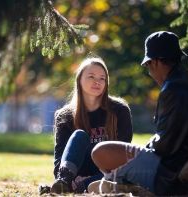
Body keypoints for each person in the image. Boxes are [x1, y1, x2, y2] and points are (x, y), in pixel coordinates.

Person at [90, 31, 188, 195]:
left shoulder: (172, 89)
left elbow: (164, 146)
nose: (149, 73)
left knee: (101, 151)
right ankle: (120, 182)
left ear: (155, 62)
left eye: (148, 66)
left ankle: (120, 183)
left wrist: (144, 148)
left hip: (173, 174)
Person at [46, 57, 133, 194]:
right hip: (74, 171)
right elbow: (59, 160)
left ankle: (82, 185)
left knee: (124, 172)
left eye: (102, 78)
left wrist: (88, 180)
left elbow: (123, 154)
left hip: (107, 172)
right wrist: (63, 176)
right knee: (79, 135)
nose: (97, 82)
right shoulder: (64, 115)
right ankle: (65, 182)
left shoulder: (120, 110)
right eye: (91, 76)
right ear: (79, 80)